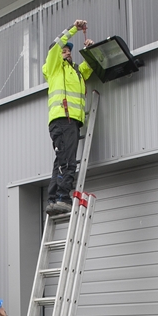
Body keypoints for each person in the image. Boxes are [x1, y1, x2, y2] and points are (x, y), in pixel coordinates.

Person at [43, 19, 95, 216]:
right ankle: (62, 198)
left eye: (68, 51)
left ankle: (54, 199)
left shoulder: (76, 71)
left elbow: (88, 68)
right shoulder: (54, 68)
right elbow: (56, 46)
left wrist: (90, 50)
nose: (67, 52)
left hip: (71, 121)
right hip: (62, 119)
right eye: (64, 50)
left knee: (61, 160)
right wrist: (74, 29)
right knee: (67, 161)